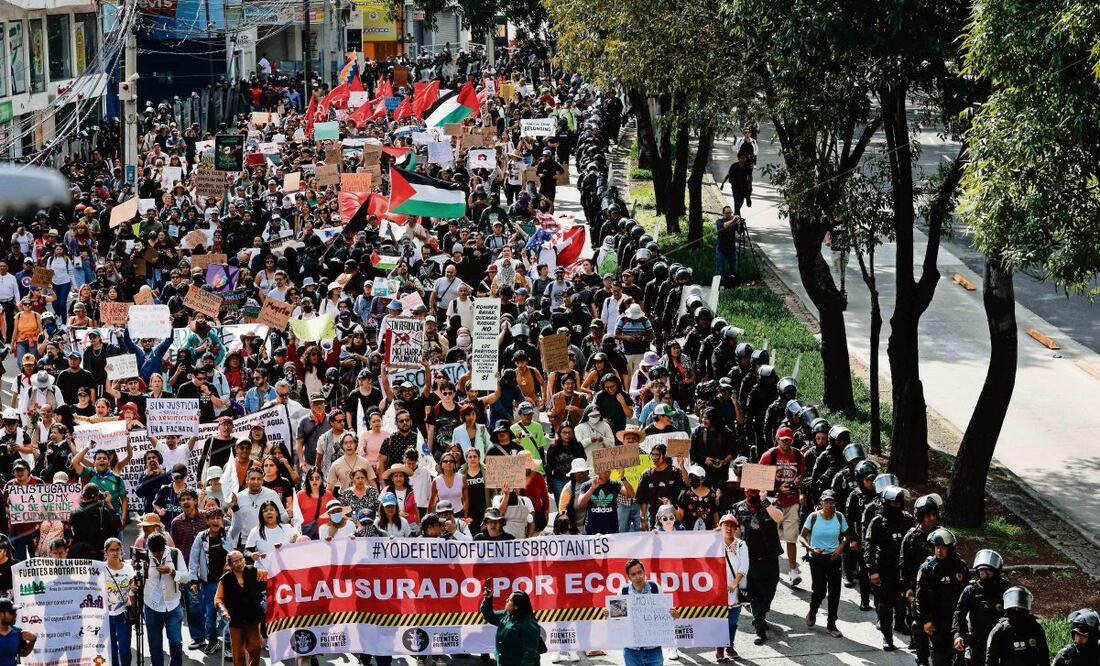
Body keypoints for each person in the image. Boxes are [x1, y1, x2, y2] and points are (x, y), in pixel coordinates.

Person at [731, 490, 784, 645]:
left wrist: (764, 499)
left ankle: (762, 613)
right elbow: (736, 531)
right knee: (755, 594)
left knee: (770, 589)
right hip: (750, 558)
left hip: (770, 555)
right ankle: (759, 628)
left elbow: (779, 517)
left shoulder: (772, 502)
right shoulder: (738, 507)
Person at [757, 426, 805, 585]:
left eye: (789, 441)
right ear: (777, 439)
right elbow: (759, 480)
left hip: (792, 502)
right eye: (783, 441)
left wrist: (798, 482)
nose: (786, 444)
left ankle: (792, 571)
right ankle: (774, 570)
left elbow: (801, 475)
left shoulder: (798, 455)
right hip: (773, 502)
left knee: (791, 538)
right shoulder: (769, 456)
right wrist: (778, 488)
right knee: (772, 538)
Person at [914, 527, 969, 666]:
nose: (939, 550)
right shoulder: (927, 568)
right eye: (937, 547)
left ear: (950, 548)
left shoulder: (960, 567)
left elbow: (967, 595)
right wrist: (926, 620)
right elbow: (920, 597)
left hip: (955, 621)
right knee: (939, 659)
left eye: (943, 547)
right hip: (936, 621)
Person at [798, 489, 848, 638]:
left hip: (834, 559)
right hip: (817, 559)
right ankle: (813, 611)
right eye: (826, 501)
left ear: (835, 503)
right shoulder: (813, 517)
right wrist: (811, 548)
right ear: (821, 502)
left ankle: (831, 624)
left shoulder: (839, 517)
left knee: (834, 593)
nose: (829, 505)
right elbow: (802, 537)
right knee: (819, 591)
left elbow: (847, 536)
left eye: (832, 502)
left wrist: (840, 548)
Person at [952, 549, 1010, 666]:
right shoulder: (971, 590)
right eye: (982, 571)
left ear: (996, 572)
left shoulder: (1005, 590)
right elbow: (959, 614)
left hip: (999, 643)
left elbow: (1013, 614)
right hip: (976, 643)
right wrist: (958, 635)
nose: (985, 574)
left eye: (988, 571)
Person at [618, 559, 681, 666]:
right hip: (631, 650)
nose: (638, 577)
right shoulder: (623, 592)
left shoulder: (655, 588)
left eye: (639, 573)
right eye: (633, 574)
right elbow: (617, 619)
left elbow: (668, 616)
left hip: (653, 649)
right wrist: (609, 615)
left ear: (644, 572)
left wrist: (675, 614)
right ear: (629, 577)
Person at [187, 507, 232, 656]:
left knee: (227, 616)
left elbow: (232, 555)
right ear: (207, 521)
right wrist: (193, 580)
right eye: (212, 518)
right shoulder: (201, 537)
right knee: (209, 616)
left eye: (219, 518)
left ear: (222, 520)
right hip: (208, 584)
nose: (215, 521)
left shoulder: (227, 535)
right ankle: (212, 641)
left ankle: (228, 645)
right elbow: (193, 560)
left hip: (226, 583)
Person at [142, 532, 189, 666]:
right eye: (154, 552)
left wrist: (171, 571)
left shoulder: (175, 553)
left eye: (160, 551)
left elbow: (186, 577)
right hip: (152, 606)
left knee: (175, 643)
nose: (157, 554)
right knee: (155, 645)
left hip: (173, 605)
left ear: (165, 546)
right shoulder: (144, 556)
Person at [214, 550, 268, 666]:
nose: (240, 563)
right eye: (236, 561)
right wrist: (224, 611)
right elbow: (218, 599)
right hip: (236, 620)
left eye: (241, 559)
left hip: (253, 617)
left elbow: (270, 575)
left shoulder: (253, 571)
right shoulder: (225, 579)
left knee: (256, 646)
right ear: (230, 564)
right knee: (238, 653)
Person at [984, 587, 1049, 666]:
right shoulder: (1000, 630)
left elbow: (1044, 655)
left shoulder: (1035, 628)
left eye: (1020, 608)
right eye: (1014, 608)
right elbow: (990, 658)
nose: (1017, 610)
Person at [480, 584, 541, 666]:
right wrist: (488, 598)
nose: (506, 600)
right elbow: (489, 616)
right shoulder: (507, 615)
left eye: (510, 600)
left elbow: (530, 652)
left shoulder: (528, 624)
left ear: (516, 606)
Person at [718, 514, 749, 662]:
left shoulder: (741, 544)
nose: (729, 528)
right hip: (718, 590)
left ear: (736, 528)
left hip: (736, 590)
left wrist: (735, 583)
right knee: (719, 620)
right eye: (726, 525)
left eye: (732, 526)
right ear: (720, 526)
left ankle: (729, 646)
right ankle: (719, 649)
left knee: (732, 621)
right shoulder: (713, 544)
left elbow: (744, 566)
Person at [104, 537, 136, 666]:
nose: (115, 553)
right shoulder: (100, 569)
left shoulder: (128, 569)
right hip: (105, 617)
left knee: (124, 650)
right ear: (106, 552)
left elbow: (132, 593)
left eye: (117, 550)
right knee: (111, 651)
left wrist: (133, 591)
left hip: (123, 615)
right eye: (112, 550)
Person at [0, 598, 36, 666]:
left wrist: (33, 641)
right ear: (1, 614)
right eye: (12, 612)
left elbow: (23, 653)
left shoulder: (18, 632)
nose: (15, 615)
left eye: (15, 612)